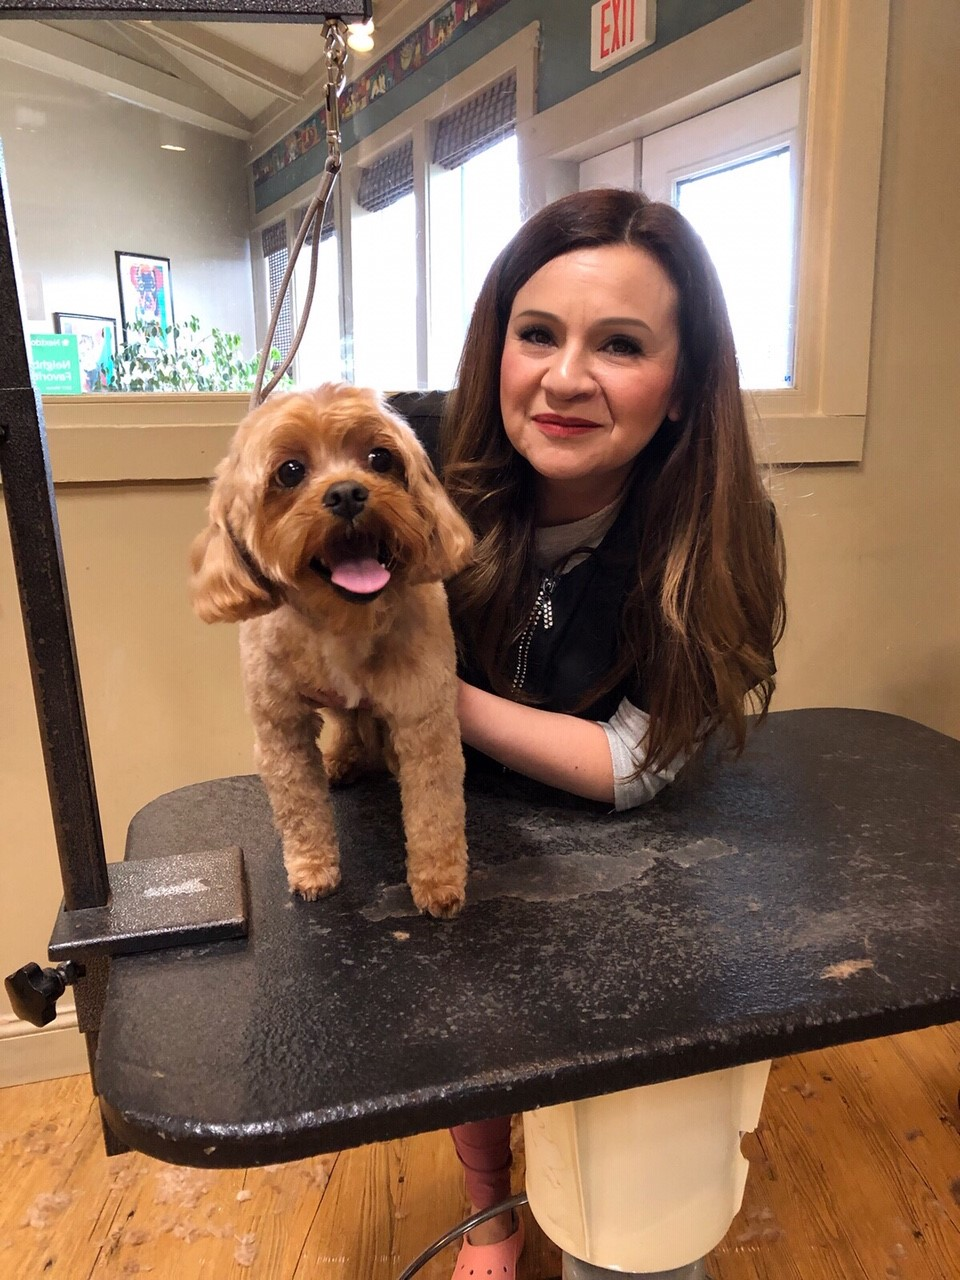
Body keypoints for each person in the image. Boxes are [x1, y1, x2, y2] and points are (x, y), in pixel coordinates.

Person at [437, 187, 786, 1278]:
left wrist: (427, 697)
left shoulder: (715, 536)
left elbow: (634, 763)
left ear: (680, 389)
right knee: (460, 1012)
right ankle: (490, 1207)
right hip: (466, 821)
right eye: (537, 333)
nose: (565, 376)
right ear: (499, 345)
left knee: (636, 1239)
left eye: (621, 345)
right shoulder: (412, 467)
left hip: (635, 856)